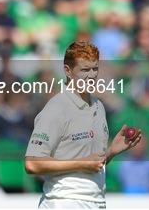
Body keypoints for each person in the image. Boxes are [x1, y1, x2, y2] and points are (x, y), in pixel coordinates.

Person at [24, 41, 142, 209]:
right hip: (64, 201)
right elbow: (32, 163)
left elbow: (89, 164)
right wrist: (82, 163)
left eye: (95, 69)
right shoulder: (57, 107)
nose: (92, 75)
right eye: (85, 70)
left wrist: (111, 152)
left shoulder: (98, 106)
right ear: (68, 71)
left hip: (96, 201)